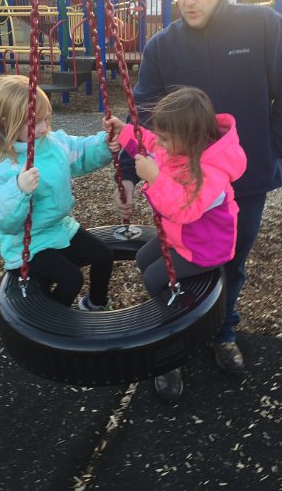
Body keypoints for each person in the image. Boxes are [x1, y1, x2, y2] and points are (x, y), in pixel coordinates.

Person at [114, 0, 282, 396]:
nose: (189, 0)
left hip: (245, 181)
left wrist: (270, 149)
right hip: (182, 183)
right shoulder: (163, 47)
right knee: (175, 262)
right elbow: (142, 115)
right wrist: (128, 173)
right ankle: (173, 347)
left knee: (230, 263)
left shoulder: (262, 27)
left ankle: (222, 331)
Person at [106, 87, 247, 399]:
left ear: (190, 138)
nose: (161, 144)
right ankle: (174, 307)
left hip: (204, 247)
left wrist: (155, 178)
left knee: (154, 279)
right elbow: (150, 142)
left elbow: (184, 209)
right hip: (181, 237)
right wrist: (124, 129)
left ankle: (173, 341)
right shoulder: (179, 147)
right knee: (143, 259)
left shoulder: (212, 171)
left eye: (167, 139)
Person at [0, 75, 119, 311]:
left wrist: (105, 144)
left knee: (104, 255)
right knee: (72, 279)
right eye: (35, 123)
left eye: (46, 119)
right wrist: (18, 190)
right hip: (27, 243)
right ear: (6, 124)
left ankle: (95, 305)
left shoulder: (52, 143)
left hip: (59, 227)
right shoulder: (0, 164)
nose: (44, 128)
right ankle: (51, 322)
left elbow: (81, 151)